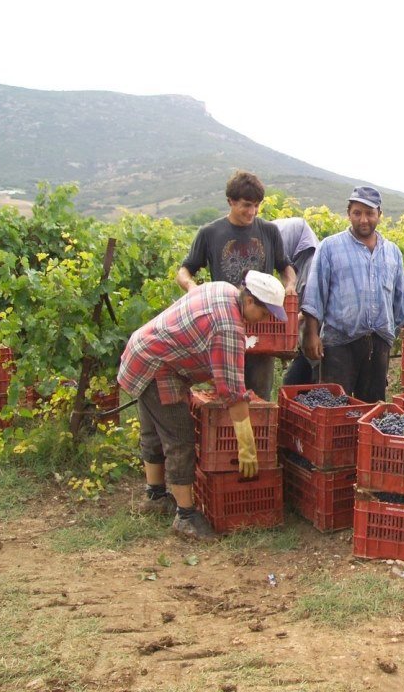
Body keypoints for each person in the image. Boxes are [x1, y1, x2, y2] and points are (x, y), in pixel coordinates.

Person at [118, 271, 288, 540]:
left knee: (153, 431)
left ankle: (155, 496)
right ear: (252, 301)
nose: (264, 320)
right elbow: (232, 392)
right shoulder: (230, 327)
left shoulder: (224, 289)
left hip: (143, 351)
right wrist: (247, 447)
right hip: (159, 368)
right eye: (266, 313)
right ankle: (185, 517)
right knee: (179, 438)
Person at [176, 170, 295, 400]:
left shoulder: (269, 231)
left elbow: (285, 266)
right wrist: (191, 287)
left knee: (260, 395)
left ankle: (255, 436)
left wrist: (289, 284)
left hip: (263, 328)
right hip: (224, 327)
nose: (252, 212)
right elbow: (185, 270)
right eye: (246, 205)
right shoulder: (210, 233)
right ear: (230, 201)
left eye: (257, 205)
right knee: (226, 396)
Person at [302, 186, 404, 403]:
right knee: (334, 408)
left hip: (379, 343)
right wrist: (311, 334)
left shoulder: (392, 252)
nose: (363, 219)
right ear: (349, 214)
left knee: (372, 409)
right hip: (339, 344)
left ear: (379, 215)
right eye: (357, 213)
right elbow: (314, 294)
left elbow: (403, 300)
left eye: (370, 213)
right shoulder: (330, 247)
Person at [272, 216, 320, 386]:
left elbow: (314, 306)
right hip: (306, 345)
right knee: (294, 387)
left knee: (300, 388)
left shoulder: (314, 263)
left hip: (318, 343)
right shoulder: (296, 265)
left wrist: (285, 322)